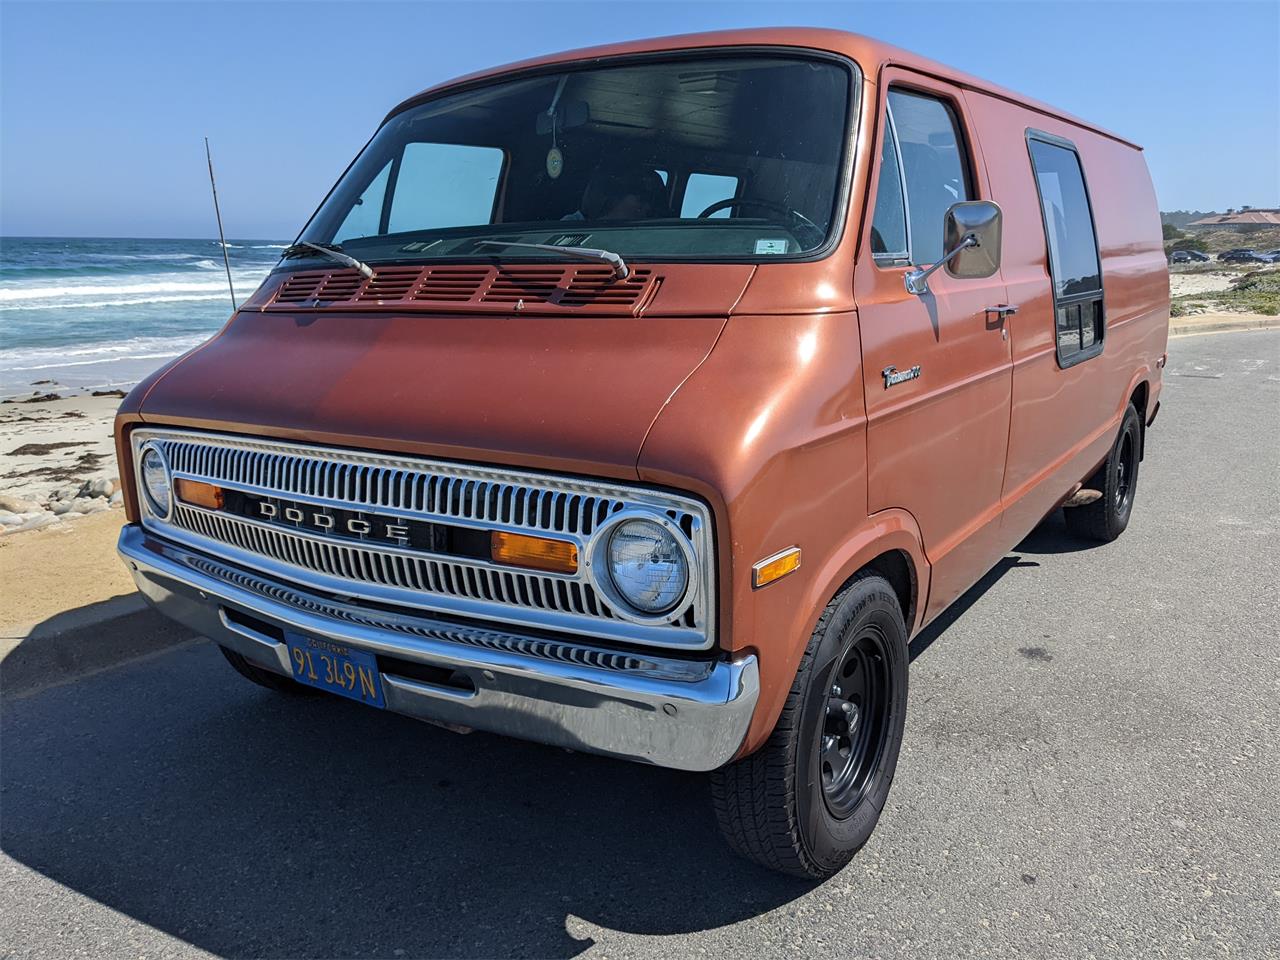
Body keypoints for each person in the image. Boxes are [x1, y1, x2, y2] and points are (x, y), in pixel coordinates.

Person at [564, 166, 665, 221]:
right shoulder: (570, 226)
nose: (647, 208)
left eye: (650, 201)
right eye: (641, 199)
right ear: (616, 197)